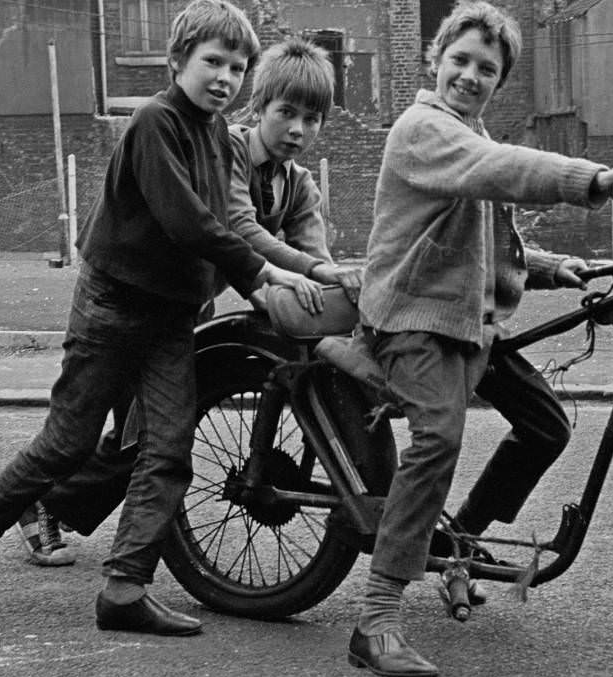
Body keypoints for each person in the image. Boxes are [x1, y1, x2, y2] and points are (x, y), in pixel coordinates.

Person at [0, 0, 318, 635]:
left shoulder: (214, 134)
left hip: (170, 315)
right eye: (212, 62)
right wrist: (267, 272)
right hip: (113, 305)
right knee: (69, 443)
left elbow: (228, 221)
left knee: (167, 451)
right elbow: (190, 222)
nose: (225, 77)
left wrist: (298, 271)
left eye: (237, 66)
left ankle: (124, 587)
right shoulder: (155, 123)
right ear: (177, 61)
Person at [346, 0, 613, 677]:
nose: (470, 75)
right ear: (436, 61)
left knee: (545, 424)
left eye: (486, 68)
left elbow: (486, 237)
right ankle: (376, 617)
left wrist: (547, 267)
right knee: (438, 440)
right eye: (460, 60)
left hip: (465, 322)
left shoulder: (470, 135)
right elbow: (502, 168)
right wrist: (595, 179)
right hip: (413, 316)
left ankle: (459, 546)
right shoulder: (423, 129)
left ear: (498, 79)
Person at [20, 36, 361, 545]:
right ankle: (37, 503)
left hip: (184, 305)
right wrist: (304, 271)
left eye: (312, 119)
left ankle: (87, 525)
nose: (297, 130)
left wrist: (329, 285)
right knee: (96, 427)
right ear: (259, 105)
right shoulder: (229, 151)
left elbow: (315, 255)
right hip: (129, 291)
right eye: (286, 112)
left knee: (148, 433)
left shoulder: (299, 185)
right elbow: (241, 228)